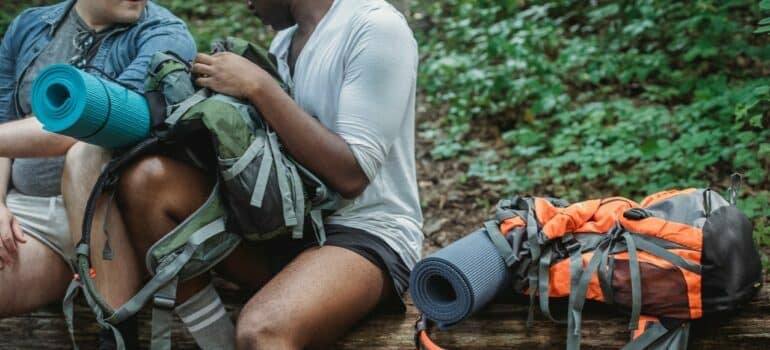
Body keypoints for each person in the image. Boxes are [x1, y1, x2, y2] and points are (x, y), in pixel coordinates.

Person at [62, 0, 423, 348]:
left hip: (366, 233)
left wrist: (258, 86)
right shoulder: (285, 42)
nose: (247, 5)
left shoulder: (374, 26)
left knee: (261, 331)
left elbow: (352, 175)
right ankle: (216, 342)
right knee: (147, 181)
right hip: (288, 220)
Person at [0, 0, 196, 348]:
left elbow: (88, 124)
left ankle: (118, 334)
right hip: (25, 216)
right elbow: (4, 127)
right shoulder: (29, 27)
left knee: (85, 152)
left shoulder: (164, 35)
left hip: (106, 222)